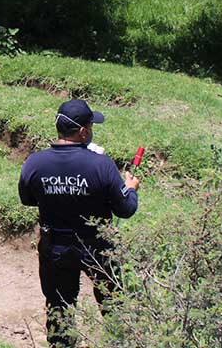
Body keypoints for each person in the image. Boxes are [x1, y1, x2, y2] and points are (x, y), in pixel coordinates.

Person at [18, 99, 140, 347]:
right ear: (83, 132)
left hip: (56, 249)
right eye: (91, 125)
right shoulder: (101, 165)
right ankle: (119, 343)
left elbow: (27, 199)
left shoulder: (35, 163)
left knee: (59, 310)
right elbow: (125, 209)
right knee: (113, 306)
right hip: (97, 248)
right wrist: (131, 189)